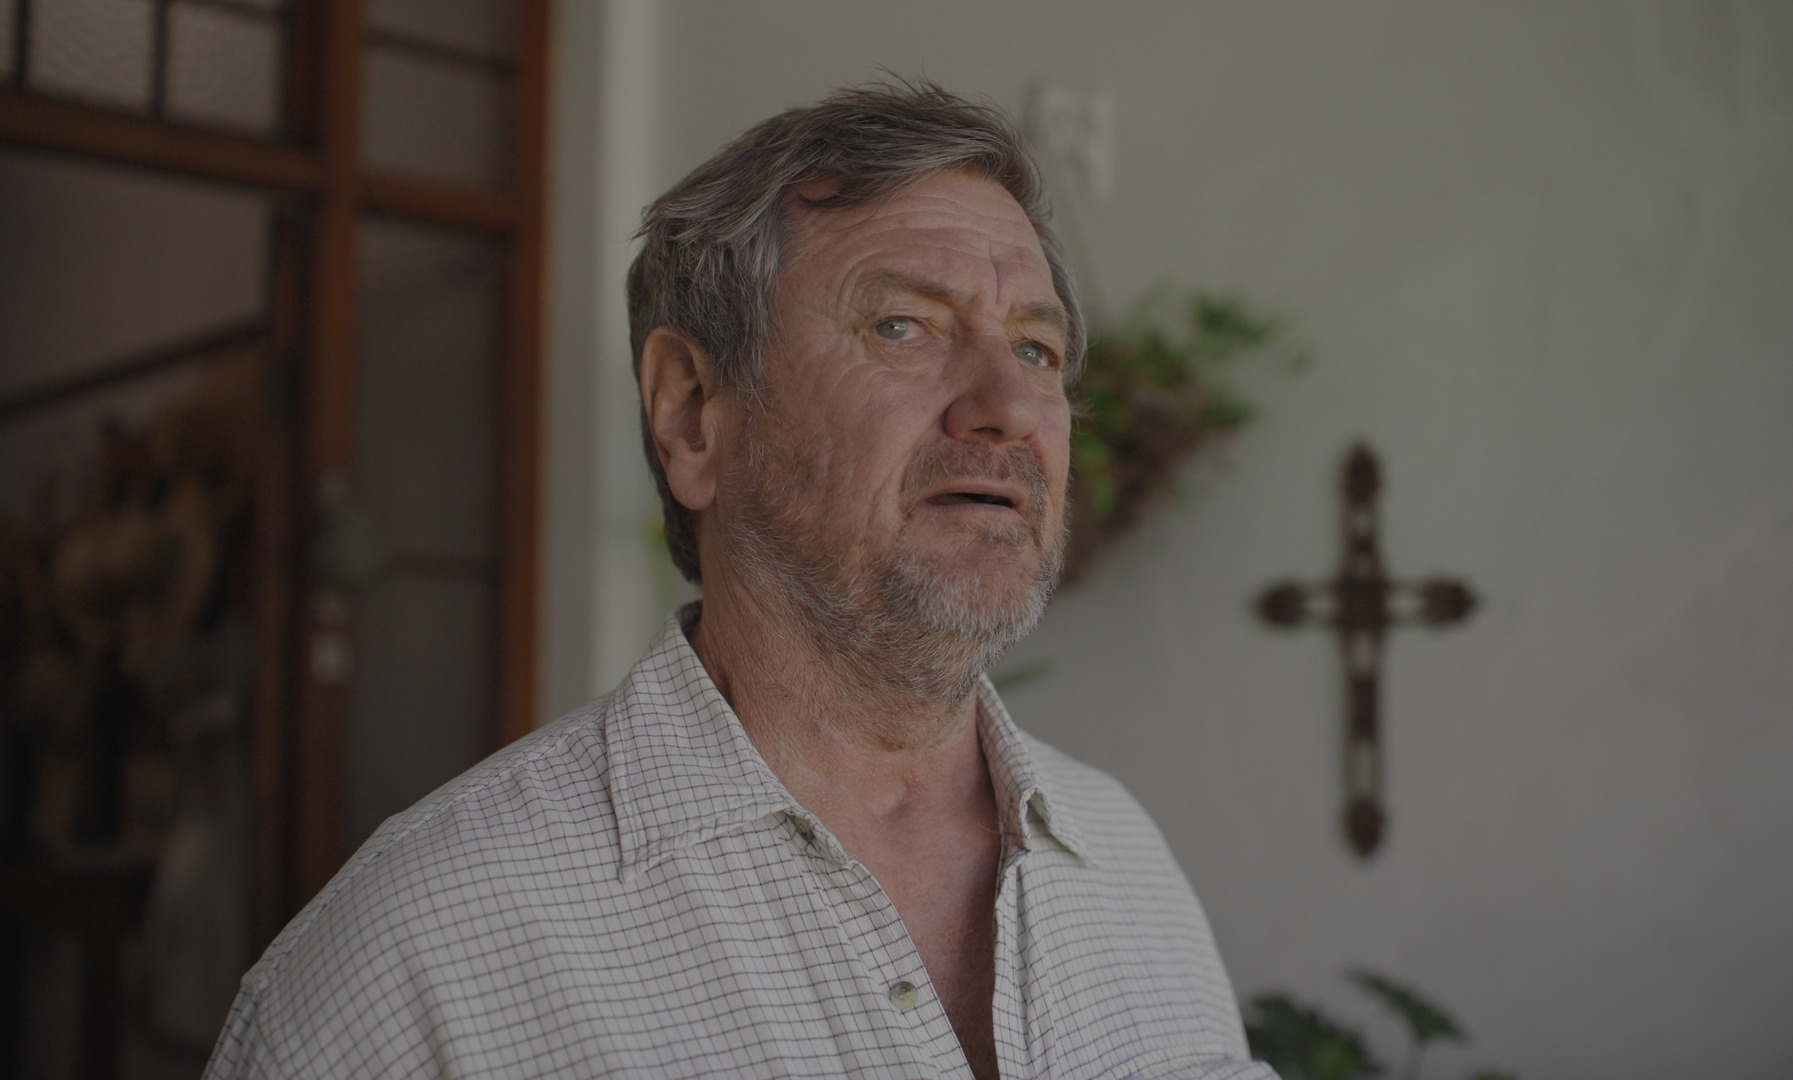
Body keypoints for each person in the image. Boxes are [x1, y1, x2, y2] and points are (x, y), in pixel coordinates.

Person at [206, 82, 1271, 1080]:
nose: (1008, 406)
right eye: (902, 327)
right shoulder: (422, 954)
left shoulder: (1123, 857)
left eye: (1036, 349)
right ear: (691, 414)